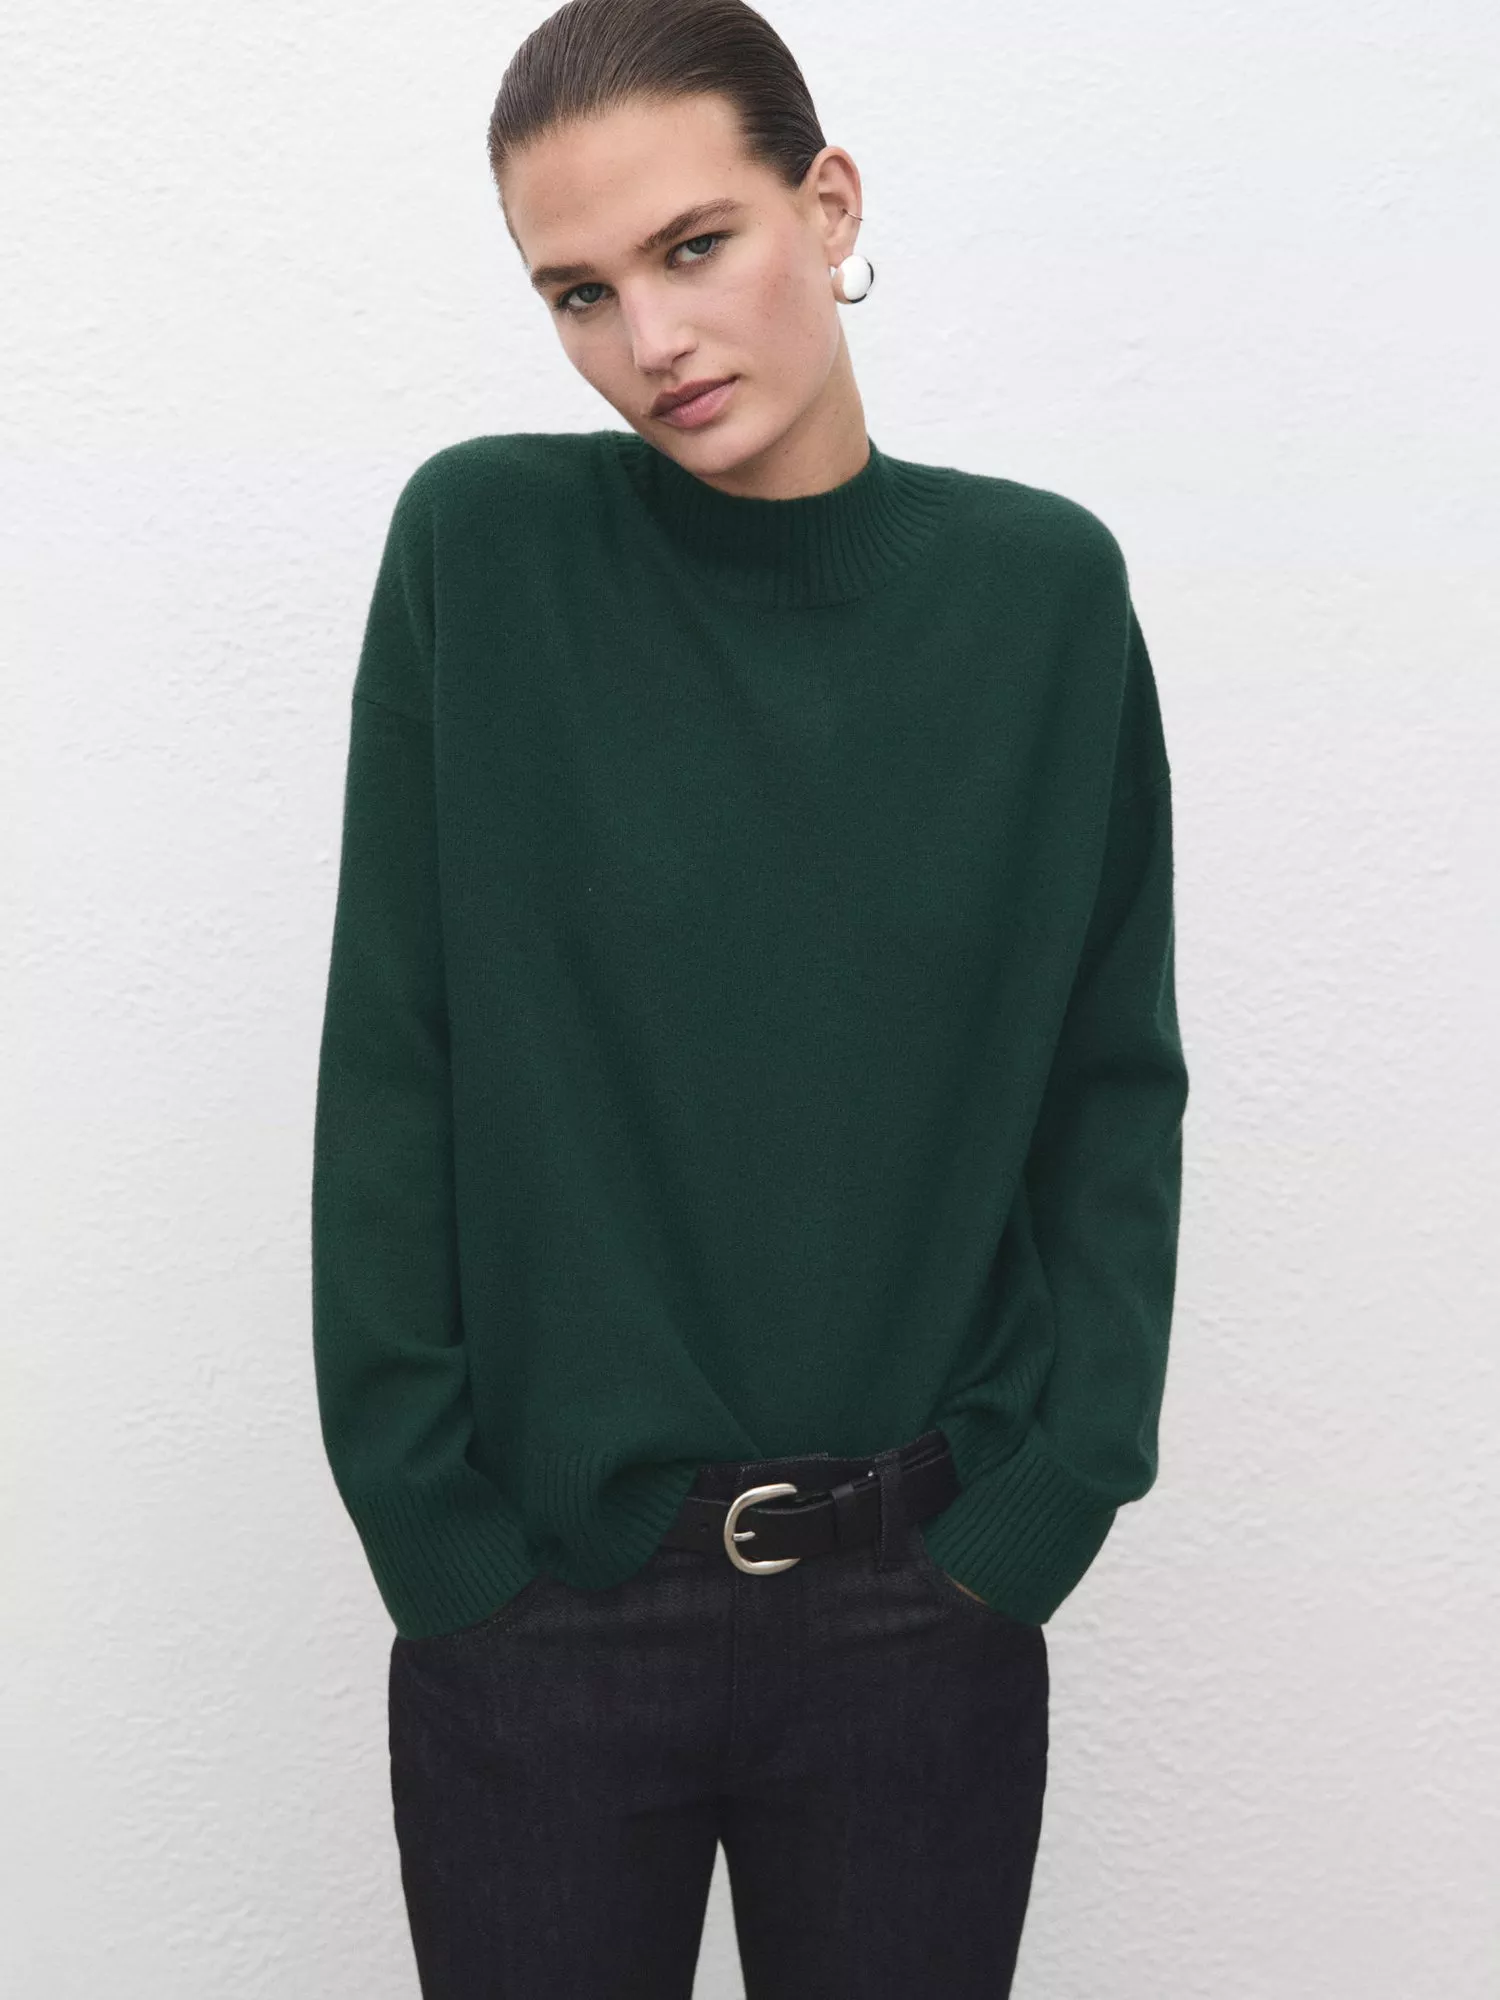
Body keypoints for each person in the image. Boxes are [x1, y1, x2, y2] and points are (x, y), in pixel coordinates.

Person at [309, 0, 1190, 1992]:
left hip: (918, 1601)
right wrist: (434, 1531)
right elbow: (395, 1058)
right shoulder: (484, 554)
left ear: (830, 202)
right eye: (579, 292)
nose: (651, 339)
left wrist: (1048, 1503)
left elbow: (1110, 1084)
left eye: (693, 246)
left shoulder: (1042, 598)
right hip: (545, 1604)